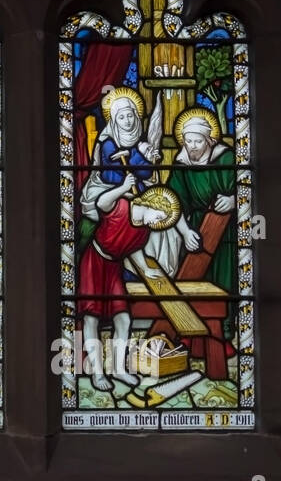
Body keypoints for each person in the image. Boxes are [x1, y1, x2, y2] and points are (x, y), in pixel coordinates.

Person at [77, 177, 174, 392]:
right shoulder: (122, 205)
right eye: (159, 216)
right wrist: (122, 186)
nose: (157, 223)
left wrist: (145, 269)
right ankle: (97, 373)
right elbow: (101, 203)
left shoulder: (144, 230)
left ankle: (119, 368)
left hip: (113, 268)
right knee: (91, 318)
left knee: (123, 318)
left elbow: (133, 248)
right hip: (94, 262)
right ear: (152, 204)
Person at [164, 108, 238, 340]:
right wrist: (185, 232)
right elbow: (173, 205)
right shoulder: (181, 165)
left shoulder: (226, 159)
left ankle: (225, 332)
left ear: (210, 140)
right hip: (196, 230)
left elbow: (249, 187)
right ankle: (193, 335)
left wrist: (234, 200)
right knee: (194, 279)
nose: (193, 145)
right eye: (188, 140)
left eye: (198, 140)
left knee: (225, 278)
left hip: (226, 231)